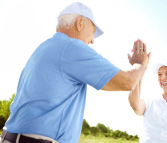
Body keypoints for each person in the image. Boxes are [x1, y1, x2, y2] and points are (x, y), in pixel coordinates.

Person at [0, 2, 151, 143]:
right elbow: (128, 82)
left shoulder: (43, 48)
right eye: (92, 32)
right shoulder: (71, 47)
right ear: (80, 23)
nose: (92, 41)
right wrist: (140, 64)